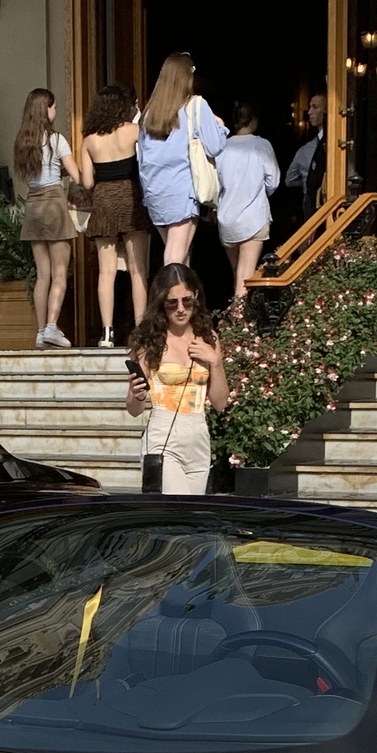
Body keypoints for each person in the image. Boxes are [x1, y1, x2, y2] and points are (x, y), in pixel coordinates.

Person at [123, 264, 229, 496]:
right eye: (172, 302)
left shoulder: (208, 338)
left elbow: (220, 403)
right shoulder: (149, 340)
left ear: (196, 298)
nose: (180, 309)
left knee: (190, 521)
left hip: (199, 434)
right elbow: (133, 409)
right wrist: (138, 393)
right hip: (163, 434)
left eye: (187, 300)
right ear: (161, 302)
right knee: (175, 511)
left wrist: (215, 361)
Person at [136, 52, 226, 269]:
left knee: (180, 256)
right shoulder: (195, 105)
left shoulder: (149, 113)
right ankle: (165, 299)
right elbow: (215, 146)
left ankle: (184, 302)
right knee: (175, 258)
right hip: (182, 191)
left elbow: (142, 155)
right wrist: (220, 126)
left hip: (155, 193)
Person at [81, 84, 147, 348]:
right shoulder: (134, 131)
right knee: (137, 268)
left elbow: (87, 182)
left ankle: (107, 332)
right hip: (130, 196)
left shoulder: (89, 140)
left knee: (106, 272)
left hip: (104, 199)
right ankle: (141, 328)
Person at [13, 88, 79, 349]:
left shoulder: (23, 141)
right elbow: (75, 175)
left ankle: (40, 331)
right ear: (45, 109)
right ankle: (52, 326)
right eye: (53, 107)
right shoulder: (57, 140)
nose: (56, 111)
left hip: (33, 204)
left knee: (42, 274)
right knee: (60, 272)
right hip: (53, 202)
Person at [214, 101, 280, 296]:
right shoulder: (261, 145)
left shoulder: (222, 147)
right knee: (246, 275)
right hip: (253, 216)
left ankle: (237, 316)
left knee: (238, 273)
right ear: (254, 120)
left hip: (227, 218)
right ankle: (240, 322)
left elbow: (215, 182)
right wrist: (258, 192)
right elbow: (274, 181)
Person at [281, 91, 328, 231]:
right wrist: (307, 181)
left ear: (326, 110)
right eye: (310, 107)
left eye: (315, 107)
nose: (309, 112)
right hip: (311, 207)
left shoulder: (335, 142)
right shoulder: (305, 150)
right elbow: (289, 180)